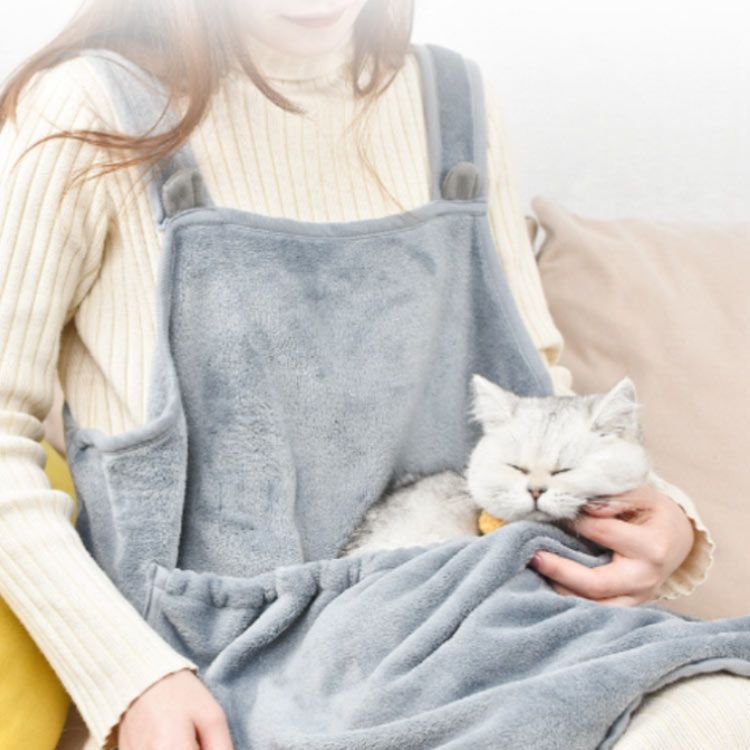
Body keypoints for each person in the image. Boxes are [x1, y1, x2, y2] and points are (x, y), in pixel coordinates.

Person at [0, 2, 747, 749]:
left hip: (494, 619)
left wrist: (665, 519)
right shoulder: (89, 111)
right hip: (239, 668)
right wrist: (131, 674)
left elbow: (534, 397)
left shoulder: (456, 103)